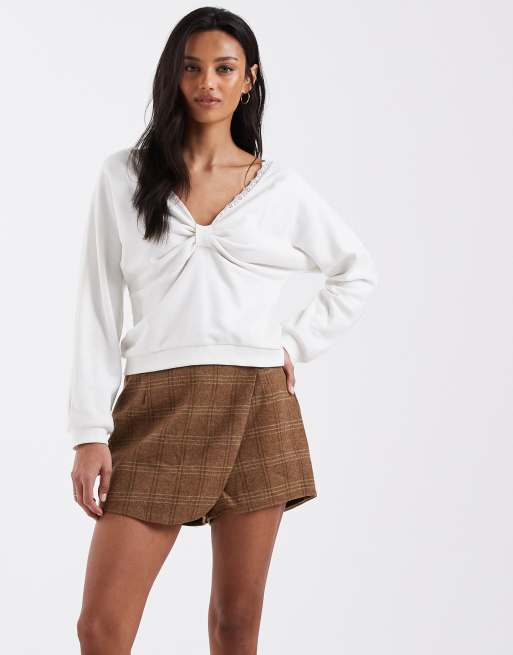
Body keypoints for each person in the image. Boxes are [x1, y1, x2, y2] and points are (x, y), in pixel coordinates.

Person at [68, 7, 379, 654]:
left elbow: (354, 271)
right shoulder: (124, 176)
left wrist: (292, 342)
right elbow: (96, 306)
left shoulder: (279, 188)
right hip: (157, 405)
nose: (207, 82)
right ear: (172, 76)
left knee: (236, 624)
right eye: (192, 67)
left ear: (248, 80)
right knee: (101, 627)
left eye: (224, 68)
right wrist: (89, 432)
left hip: (257, 403)